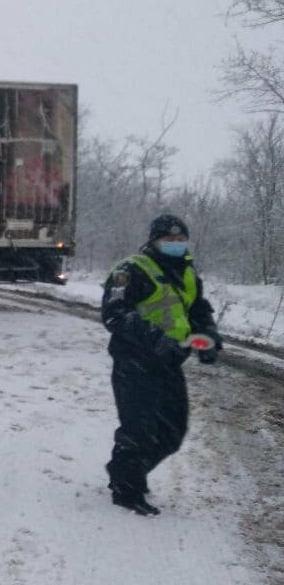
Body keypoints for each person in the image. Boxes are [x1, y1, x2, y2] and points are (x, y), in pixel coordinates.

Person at [100, 213, 221, 516]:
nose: (176, 245)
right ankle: (127, 488)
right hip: (134, 361)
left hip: (169, 364)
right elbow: (115, 314)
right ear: (154, 241)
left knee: (172, 432)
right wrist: (156, 339)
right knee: (139, 428)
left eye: (181, 240)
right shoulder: (130, 270)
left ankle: (127, 471)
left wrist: (207, 335)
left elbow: (198, 309)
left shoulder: (187, 271)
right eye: (169, 240)